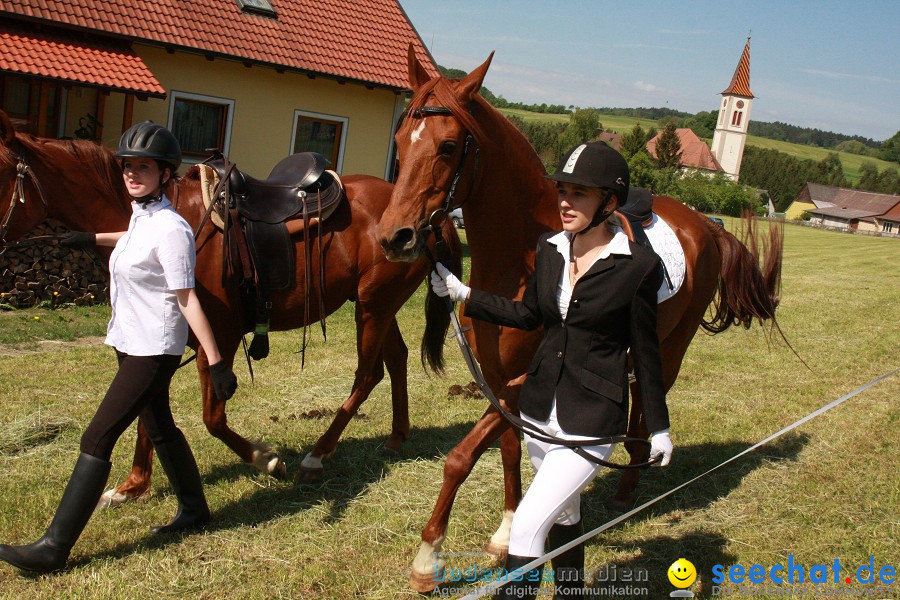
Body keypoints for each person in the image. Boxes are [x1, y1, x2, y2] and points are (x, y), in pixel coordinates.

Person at [431, 142, 673, 600]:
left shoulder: (639, 266)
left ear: (609, 202)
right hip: (541, 411)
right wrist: (464, 292)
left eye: (579, 194)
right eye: (563, 191)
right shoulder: (551, 249)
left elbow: (645, 353)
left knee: (524, 528)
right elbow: (530, 314)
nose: (565, 201)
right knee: (565, 516)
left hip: (592, 419)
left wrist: (657, 426)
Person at [0, 122, 238, 574]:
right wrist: (90, 239)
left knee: (97, 436)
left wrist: (216, 358)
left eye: (143, 168)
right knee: (160, 426)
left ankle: (52, 548)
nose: (132, 174)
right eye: (128, 166)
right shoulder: (140, 217)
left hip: (153, 348)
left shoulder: (171, 229)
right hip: (130, 340)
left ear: (166, 174)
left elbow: (186, 297)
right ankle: (195, 508)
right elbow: (133, 240)